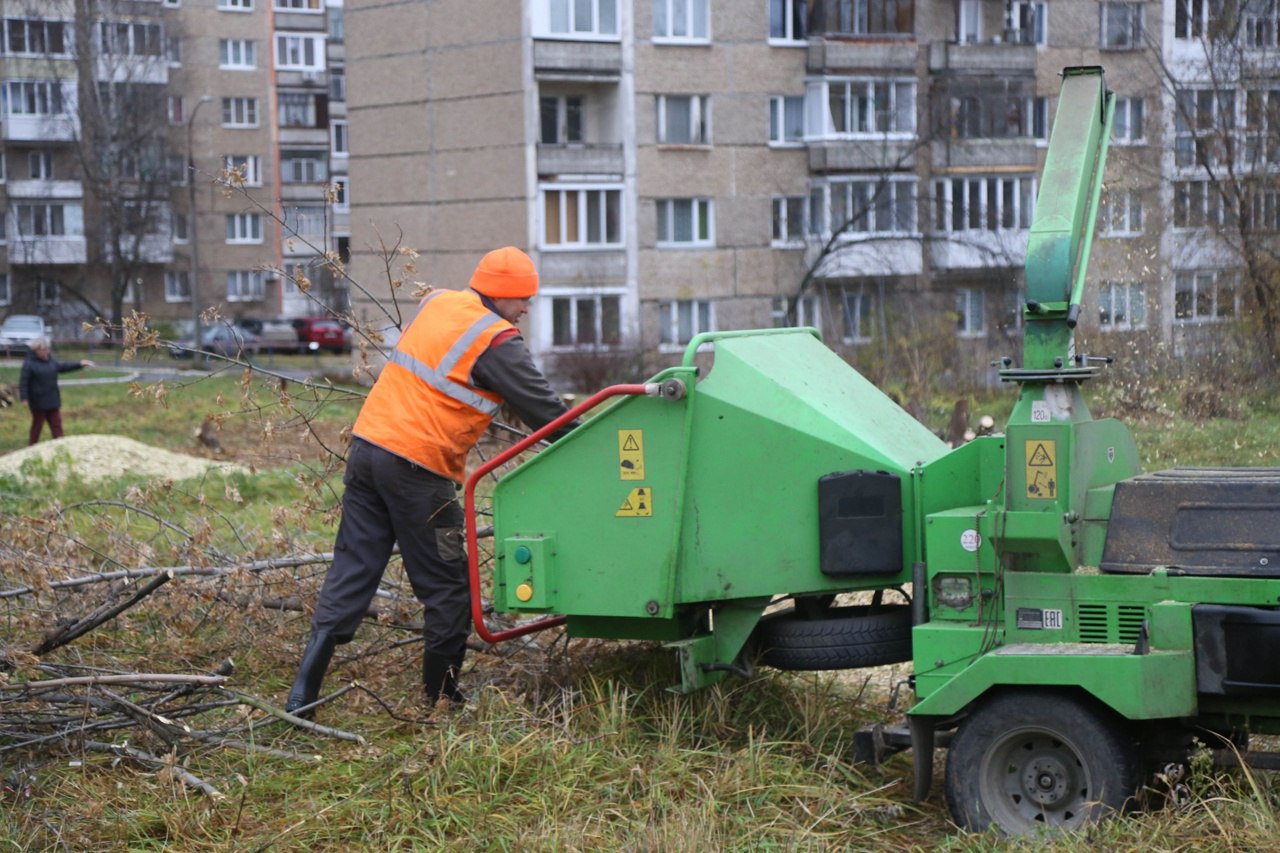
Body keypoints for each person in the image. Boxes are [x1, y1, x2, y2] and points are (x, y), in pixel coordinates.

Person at [286, 246, 577, 715]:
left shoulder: (438, 302)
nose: (527, 306)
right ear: (501, 294)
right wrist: (593, 437)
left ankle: (302, 695)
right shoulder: (495, 338)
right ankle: (441, 698)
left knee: (353, 568)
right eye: (523, 297)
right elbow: (547, 412)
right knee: (447, 586)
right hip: (418, 470)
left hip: (368, 450)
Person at [18, 337, 94, 445]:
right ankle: (32, 446)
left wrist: (80, 364)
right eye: (44, 350)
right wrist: (24, 398)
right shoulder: (29, 364)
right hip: (38, 402)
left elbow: (64, 367)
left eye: (47, 349)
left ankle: (60, 445)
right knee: (37, 426)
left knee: (56, 425)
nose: (47, 352)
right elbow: (24, 382)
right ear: (36, 351)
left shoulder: (51, 362)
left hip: (53, 400)